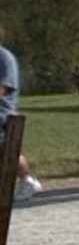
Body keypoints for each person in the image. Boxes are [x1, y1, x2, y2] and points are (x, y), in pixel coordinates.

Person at [0, 23, 43, 202]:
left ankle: (27, 181)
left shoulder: (4, 58)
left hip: (2, 111)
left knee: (6, 149)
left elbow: (5, 87)